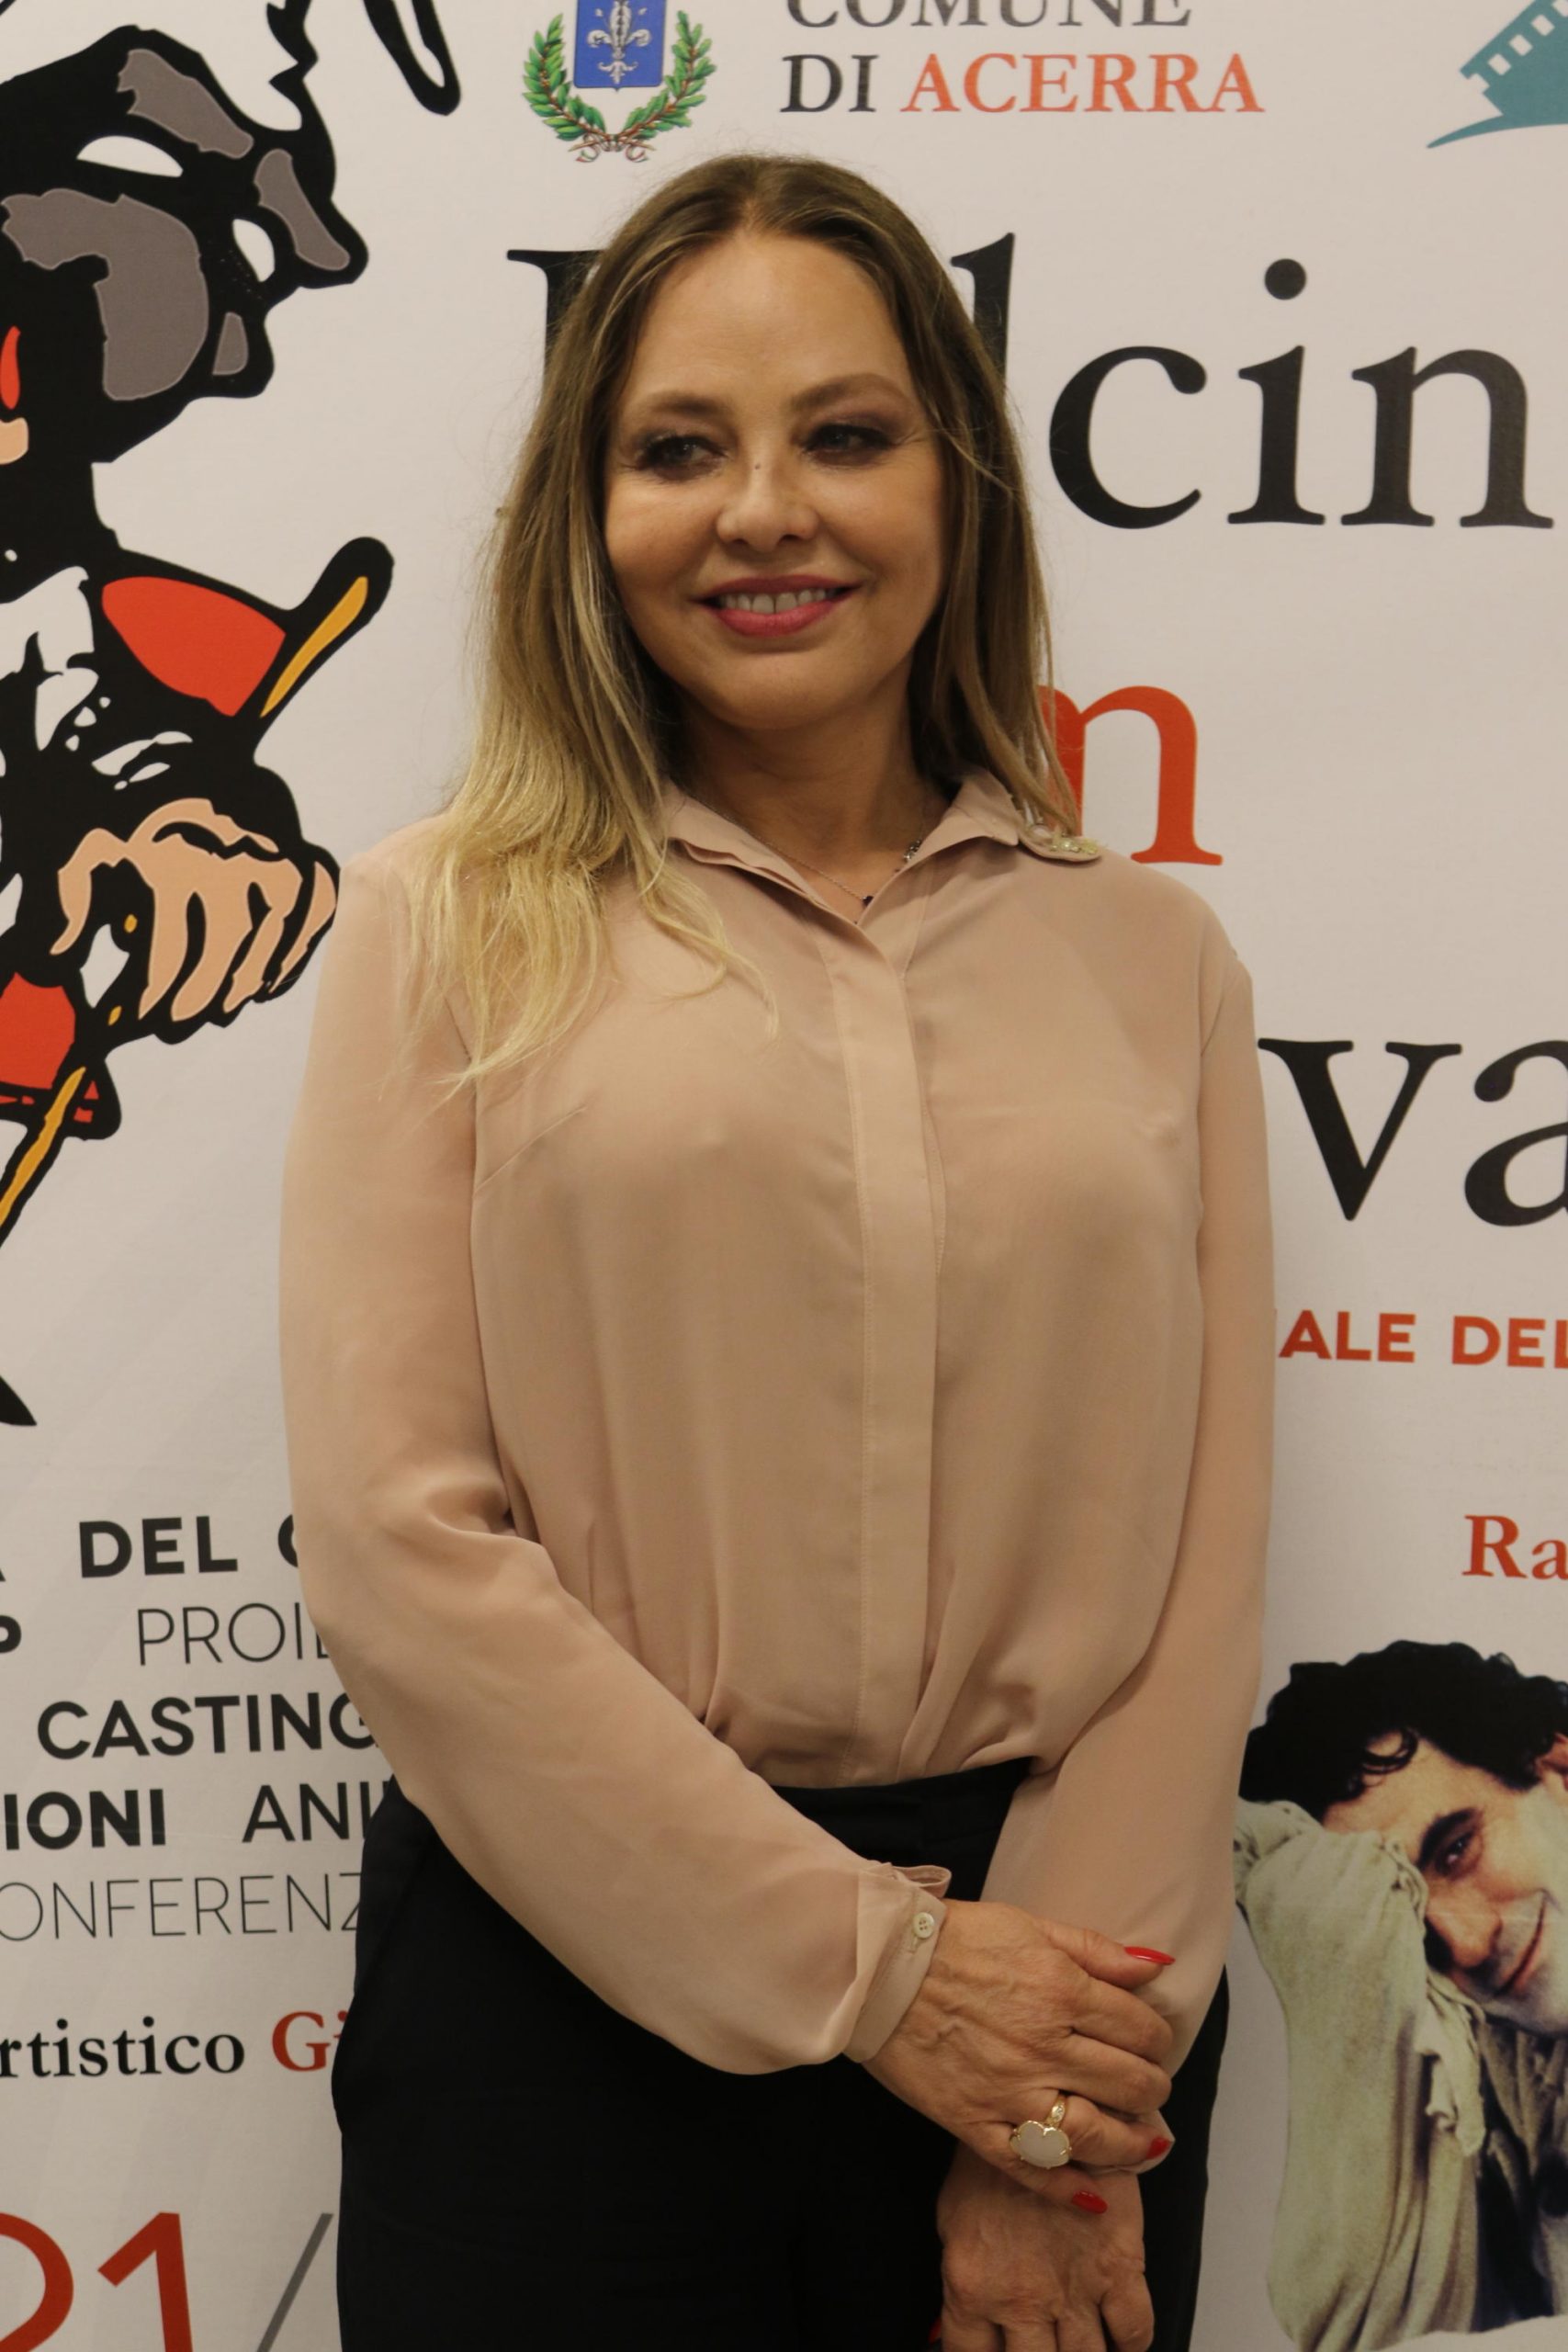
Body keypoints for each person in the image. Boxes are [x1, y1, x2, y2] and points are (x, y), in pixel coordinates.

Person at [276, 150, 1276, 2351]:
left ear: (955, 483)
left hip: (1054, 2000)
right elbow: (399, 1538)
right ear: (584, 508)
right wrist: (880, 1971)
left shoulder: (1150, 959)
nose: (761, 512)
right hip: (559, 1988)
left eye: (840, 432)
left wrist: (1048, 2110)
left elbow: (1193, 1577)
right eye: (675, 449)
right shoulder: (442, 923)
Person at [1235, 1639, 1568, 2351]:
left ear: (1557, 1770)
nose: (1466, 1945)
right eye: (1411, 1931)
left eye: (1456, 1848)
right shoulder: (1507, 2084)